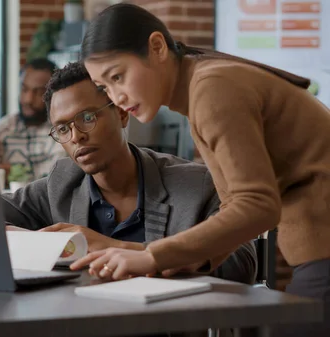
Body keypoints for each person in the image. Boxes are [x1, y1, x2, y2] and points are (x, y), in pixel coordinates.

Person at [70, 4, 330, 336]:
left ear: (158, 47)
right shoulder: (202, 88)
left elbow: (258, 206)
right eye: (105, 87)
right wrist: (172, 259)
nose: (117, 97)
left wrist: (153, 255)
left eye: (118, 76)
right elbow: (238, 209)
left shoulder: (212, 89)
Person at [2, 61, 257, 286]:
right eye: (62, 128)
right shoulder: (63, 182)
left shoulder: (196, 185)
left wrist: (118, 248)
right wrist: (38, 243)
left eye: (87, 117)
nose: (76, 135)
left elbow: (242, 264)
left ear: (122, 113)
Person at [0, 58, 67, 181]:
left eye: (39, 92)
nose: (28, 99)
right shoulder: (3, 129)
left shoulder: (62, 131)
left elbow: (57, 182)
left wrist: (13, 172)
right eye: (24, 89)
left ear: (54, 94)